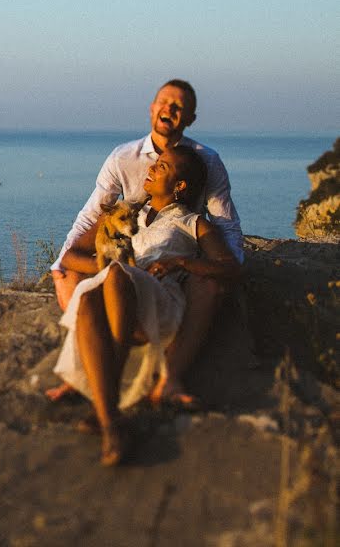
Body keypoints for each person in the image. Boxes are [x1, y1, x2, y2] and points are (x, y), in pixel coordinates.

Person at [48, 80, 243, 404]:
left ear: (190, 119)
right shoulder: (123, 159)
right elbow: (92, 216)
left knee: (196, 284)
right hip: (130, 252)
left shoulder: (204, 163)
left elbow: (226, 225)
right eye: (164, 101)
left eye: (179, 106)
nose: (170, 109)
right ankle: (89, 378)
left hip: (166, 263)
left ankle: (162, 378)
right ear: (152, 108)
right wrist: (61, 263)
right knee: (89, 277)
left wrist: (217, 268)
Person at [54, 145, 242, 465]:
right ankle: (112, 423)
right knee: (91, 294)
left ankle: (105, 406)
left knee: (117, 278)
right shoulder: (124, 213)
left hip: (158, 304)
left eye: (164, 167)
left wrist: (183, 262)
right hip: (116, 294)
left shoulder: (194, 222)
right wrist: (107, 266)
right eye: (156, 162)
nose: (152, 167)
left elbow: (230, 268)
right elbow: (70, 255)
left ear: (180, 186)